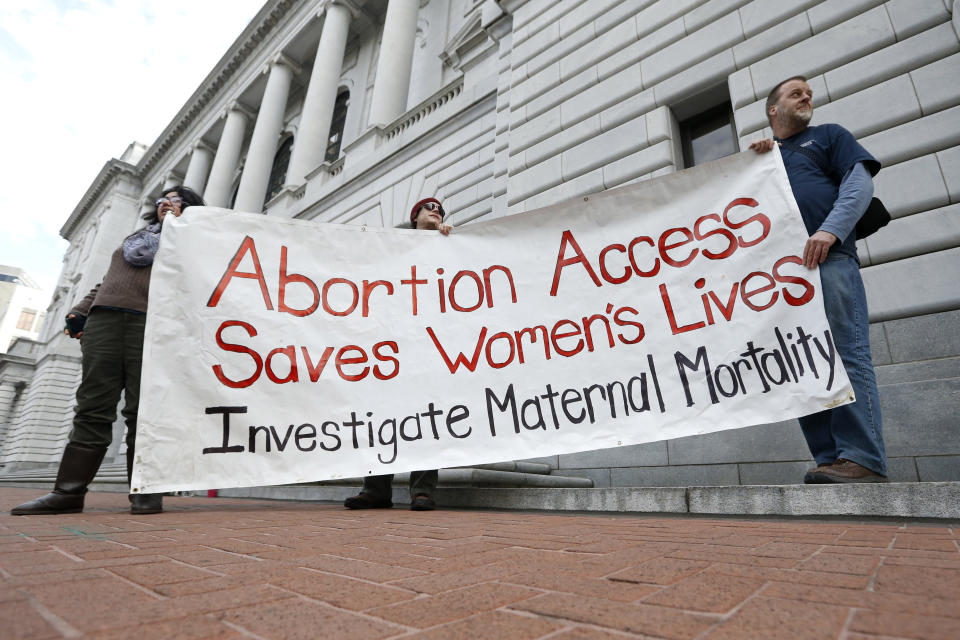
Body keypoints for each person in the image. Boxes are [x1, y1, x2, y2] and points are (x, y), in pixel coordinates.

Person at [12, 186, 206, 515]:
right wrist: (81, 309)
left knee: (143, 409)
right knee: (92, 406)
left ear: (190, 209)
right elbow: (110, 279)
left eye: (177, 201)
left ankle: (145, 491)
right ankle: (68, 493)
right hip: (104, 322)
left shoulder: (193, 240)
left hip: (151, 325)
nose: (167, 204)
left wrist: (176, 229)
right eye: (164, 199)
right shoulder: (136, 238)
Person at [750, 76, 887, 483]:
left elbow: (859, 181)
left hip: (827, 260)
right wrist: (756, 162)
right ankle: (830, 458)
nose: (806, 96)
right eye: (796, 93)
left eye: (808, 92)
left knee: (845, 354)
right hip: (781, 276)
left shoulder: (828, 136)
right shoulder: (766, 155)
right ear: (774, 109)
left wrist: (831, 229)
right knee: (801, 362)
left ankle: (862, 457)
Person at [344, 197, 452, 510]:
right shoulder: (391, 247)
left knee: (427, 413)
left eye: (440, 210)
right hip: (391, 343)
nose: (436, 211)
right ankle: (376, 488)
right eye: (429, 208)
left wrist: (448, 241)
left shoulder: (448, 245)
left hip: (429, 343)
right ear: (414, 215)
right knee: (383, 413)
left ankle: (423, 491)